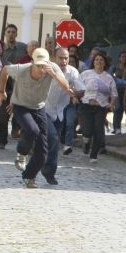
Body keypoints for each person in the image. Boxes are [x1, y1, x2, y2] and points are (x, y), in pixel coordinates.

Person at [0, 47, 75, 188]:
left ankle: (29, 176)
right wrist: (1, 91)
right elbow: (5, 70)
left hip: (39, 108)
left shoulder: (52, 68)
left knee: (42, 152)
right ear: (32, 62)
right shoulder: (22, 69)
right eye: (38, 65)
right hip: (20, 106)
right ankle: (21, 153)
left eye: (43, 66)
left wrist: (53, 74)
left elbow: (66, 87)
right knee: (32, 130)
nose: (41, 69)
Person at [43, 46, 85, 174]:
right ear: (54, 58)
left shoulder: (72, 72)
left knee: (54, 142)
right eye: (61, 58)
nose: (64, 61)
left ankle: (49, 171)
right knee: (52, 138)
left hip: (60, 112)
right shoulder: (46, 69)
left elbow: (81, 90)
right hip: (44, 109)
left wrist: (75, 94)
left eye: (66, 58)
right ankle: (41, 162)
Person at [79, 53, 118, 162]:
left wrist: (111, 104)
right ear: (93, 62)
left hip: (101, 107)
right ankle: (86, 141)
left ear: (105, 63)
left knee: (98, 130)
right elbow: (78, 87)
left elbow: (114, 94)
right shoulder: (86, 74)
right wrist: (75, 96)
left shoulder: (109, 77)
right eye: (97, 60)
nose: (99, 62)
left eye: (101, 60)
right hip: (86, 105)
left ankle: (94, 155)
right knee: (87, 130)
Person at [110, 51, 126, 134]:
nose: (124, 58)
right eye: (122, 56)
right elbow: (111, 77)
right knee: (118, 109)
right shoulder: (115, 68)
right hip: (117, 91)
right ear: (119, 58)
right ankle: (116, 128)